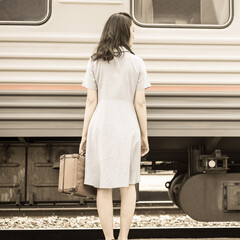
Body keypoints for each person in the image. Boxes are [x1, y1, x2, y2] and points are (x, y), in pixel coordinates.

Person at [79, 12, 151, 240]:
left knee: (104, 186)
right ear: (124, 32)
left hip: (101, 124)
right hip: (127, 125)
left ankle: (109, 238)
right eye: (133, 30)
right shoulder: (137, 62)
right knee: (128, 185)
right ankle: (123, 237)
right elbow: (140, 103)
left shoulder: (94, 60)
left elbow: (91, 101)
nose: (134, 35)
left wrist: (84, 135)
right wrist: (144, 135)